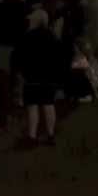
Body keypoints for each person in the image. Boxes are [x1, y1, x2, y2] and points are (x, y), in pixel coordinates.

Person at [13, 9, 66, 146]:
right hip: (49, 77)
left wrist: (20, 72)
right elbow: (59, 58)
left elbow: (18, 56)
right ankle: (50, 135)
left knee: (33, 106)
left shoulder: (27, 36)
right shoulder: (52, 37)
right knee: (48, 105)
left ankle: (32, 136)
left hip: (31, 77)